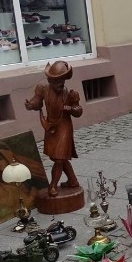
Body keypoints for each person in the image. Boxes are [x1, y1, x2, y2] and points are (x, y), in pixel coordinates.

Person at [24, 60, 83, 197]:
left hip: (64, 126)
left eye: (62, 80)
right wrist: (31, 105)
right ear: (50, 80)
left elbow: (79, 111)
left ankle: (52, 186)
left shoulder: (71, 93)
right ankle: (73, 181)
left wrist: (70, 108)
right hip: (51, 126)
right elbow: (36, 102)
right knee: (57, 157)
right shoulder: (43, 89)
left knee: (59, 158)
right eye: (56, 80)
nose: (60, 83)